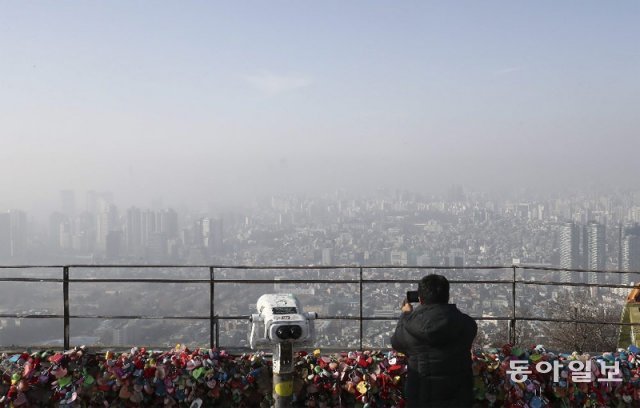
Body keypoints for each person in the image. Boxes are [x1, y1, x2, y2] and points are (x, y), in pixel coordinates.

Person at [391, 274, 477, 407]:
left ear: (420, 298)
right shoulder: (466, 324)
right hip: (459, 399)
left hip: (421, 399)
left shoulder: (410, 327)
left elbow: (396, 342)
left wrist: (406, 315)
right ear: (447, 296)